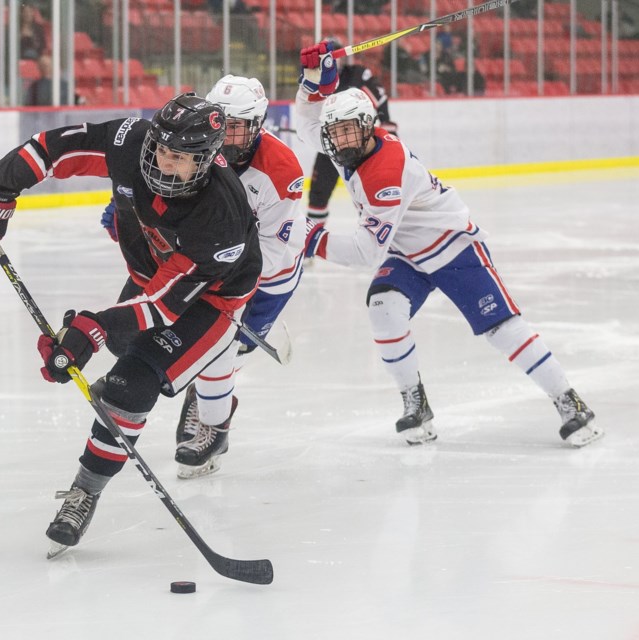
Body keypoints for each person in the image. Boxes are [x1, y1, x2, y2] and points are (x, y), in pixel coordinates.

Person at [0, 93, 262, 553]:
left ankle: (84, 491)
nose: (162, 163)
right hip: (153, 279)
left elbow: (163, 307)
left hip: (210, 302)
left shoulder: (223, 219)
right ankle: (180, 372)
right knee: (122, 350)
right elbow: (51, 148)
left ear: (207, 160)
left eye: (178, 158)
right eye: (161, 149)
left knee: (128, 384)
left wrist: (92, 329)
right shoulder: (132, 143)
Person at [295, 41, 602, 448]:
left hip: (451, 246)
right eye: (334, 131)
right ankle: (415, 404)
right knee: (384, 308)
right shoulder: (345, 145)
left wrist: (311, 238)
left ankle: (569, 401)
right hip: (408, 252)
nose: (339, 138)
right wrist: (315, 82)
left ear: (369, 126)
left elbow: (368, 252)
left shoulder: (385, 170)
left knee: (501, 328)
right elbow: (306, 124)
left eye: (348, 129)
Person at [160, 75, 306, 478]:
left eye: (237, 125)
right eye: (221, 121)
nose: (226, 133)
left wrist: (221, 273)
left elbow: (275, 252)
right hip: (216, 265)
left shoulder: (280, 169)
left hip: (268, 277)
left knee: (226, 351)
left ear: (258, 124)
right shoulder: (198, 147)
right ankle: (208, 402)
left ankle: (214, 425)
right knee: (208, 349)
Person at [306, 37, 397, 225]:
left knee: (367, 194)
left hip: (359, 146)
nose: (332, 60)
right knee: (318, 194)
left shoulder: (357, 75)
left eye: (335, 54)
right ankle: (312, 244)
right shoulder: (315, 83)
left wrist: (388, 126)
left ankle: (377, 234)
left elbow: (380, 98)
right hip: (331, 146)